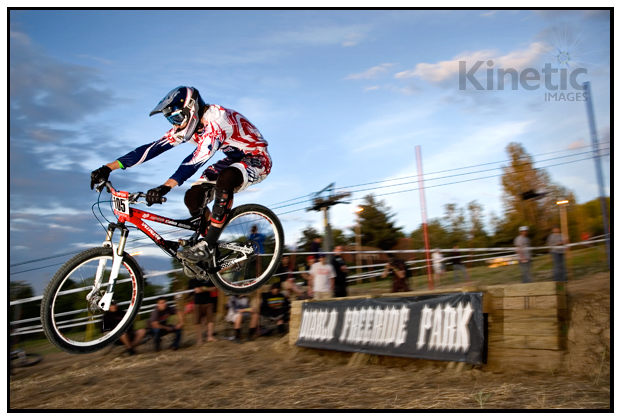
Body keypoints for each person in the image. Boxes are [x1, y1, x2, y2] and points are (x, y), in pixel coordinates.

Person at [89, 86, 272, 270]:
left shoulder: (217, 119)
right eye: (171, 120)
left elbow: (196, 159)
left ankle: (208, 245)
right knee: (192, 198)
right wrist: (108, 167)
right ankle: (210, 247)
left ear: (191, 109)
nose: (175, 125)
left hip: (257, 158)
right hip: (233, 159)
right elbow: (153, 148)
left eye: (176, 118)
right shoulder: (187, 126)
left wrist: (165, 186)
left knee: (226, 179)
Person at [188, 278, 217, 345]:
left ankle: (210, 337)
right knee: (197, 322)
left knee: (210, 320)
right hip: (197, 303)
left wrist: (204, 288)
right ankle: (199, 340)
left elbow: (214, 288)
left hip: (209, 301)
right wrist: (205, 288)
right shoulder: (192, 279)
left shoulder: (208, 278)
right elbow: (195, 290)